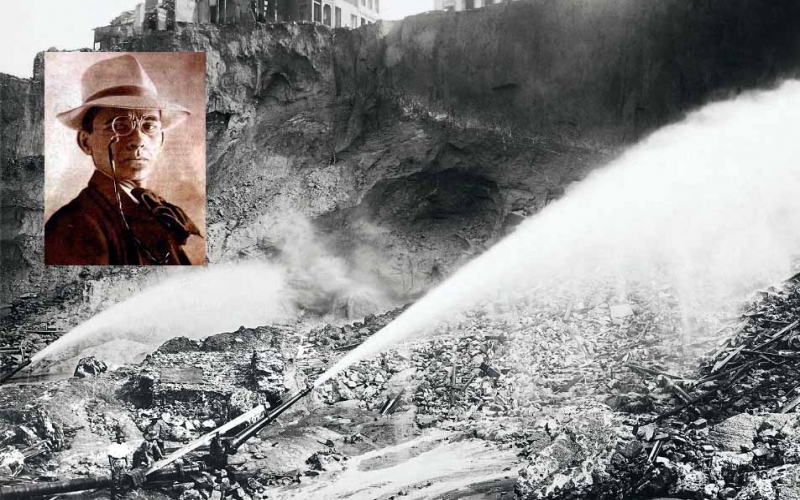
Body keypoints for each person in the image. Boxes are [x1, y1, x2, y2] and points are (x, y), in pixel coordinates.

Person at [45, 54, 201, 265]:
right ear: (85, 141)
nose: (137, 140)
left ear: (161, 139)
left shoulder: (156, 207)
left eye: (149, 126)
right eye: (119, 126)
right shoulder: (75, 224)